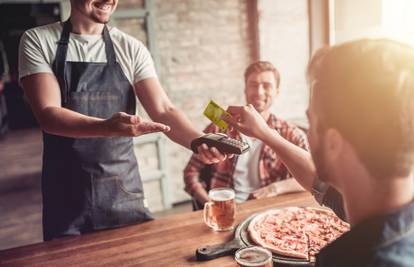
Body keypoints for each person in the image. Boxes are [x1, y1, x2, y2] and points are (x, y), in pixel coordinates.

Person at [18, 0, 226, 241]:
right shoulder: (38, 40)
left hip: (122, 189)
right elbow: (48, 114)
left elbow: (163, 109)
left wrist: (199, 141)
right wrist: (106, 127)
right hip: (65, 192)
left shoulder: (130, 48)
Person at [223, 39, 414, 266]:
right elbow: (319, 181)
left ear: (333, 143)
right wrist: (266, 134)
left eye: (310, 122)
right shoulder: (381, 199)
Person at [184, 61, 308, 208]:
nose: (259, 92)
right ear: (245, 89)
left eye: (267, 86)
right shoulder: (219, 127)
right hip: (225, 209)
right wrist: (210, 205)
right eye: (253, 85)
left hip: (268, 211)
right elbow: (190, 173)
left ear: (277, 91)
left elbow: (314, 177)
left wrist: (274, 189)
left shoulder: (291, 134)